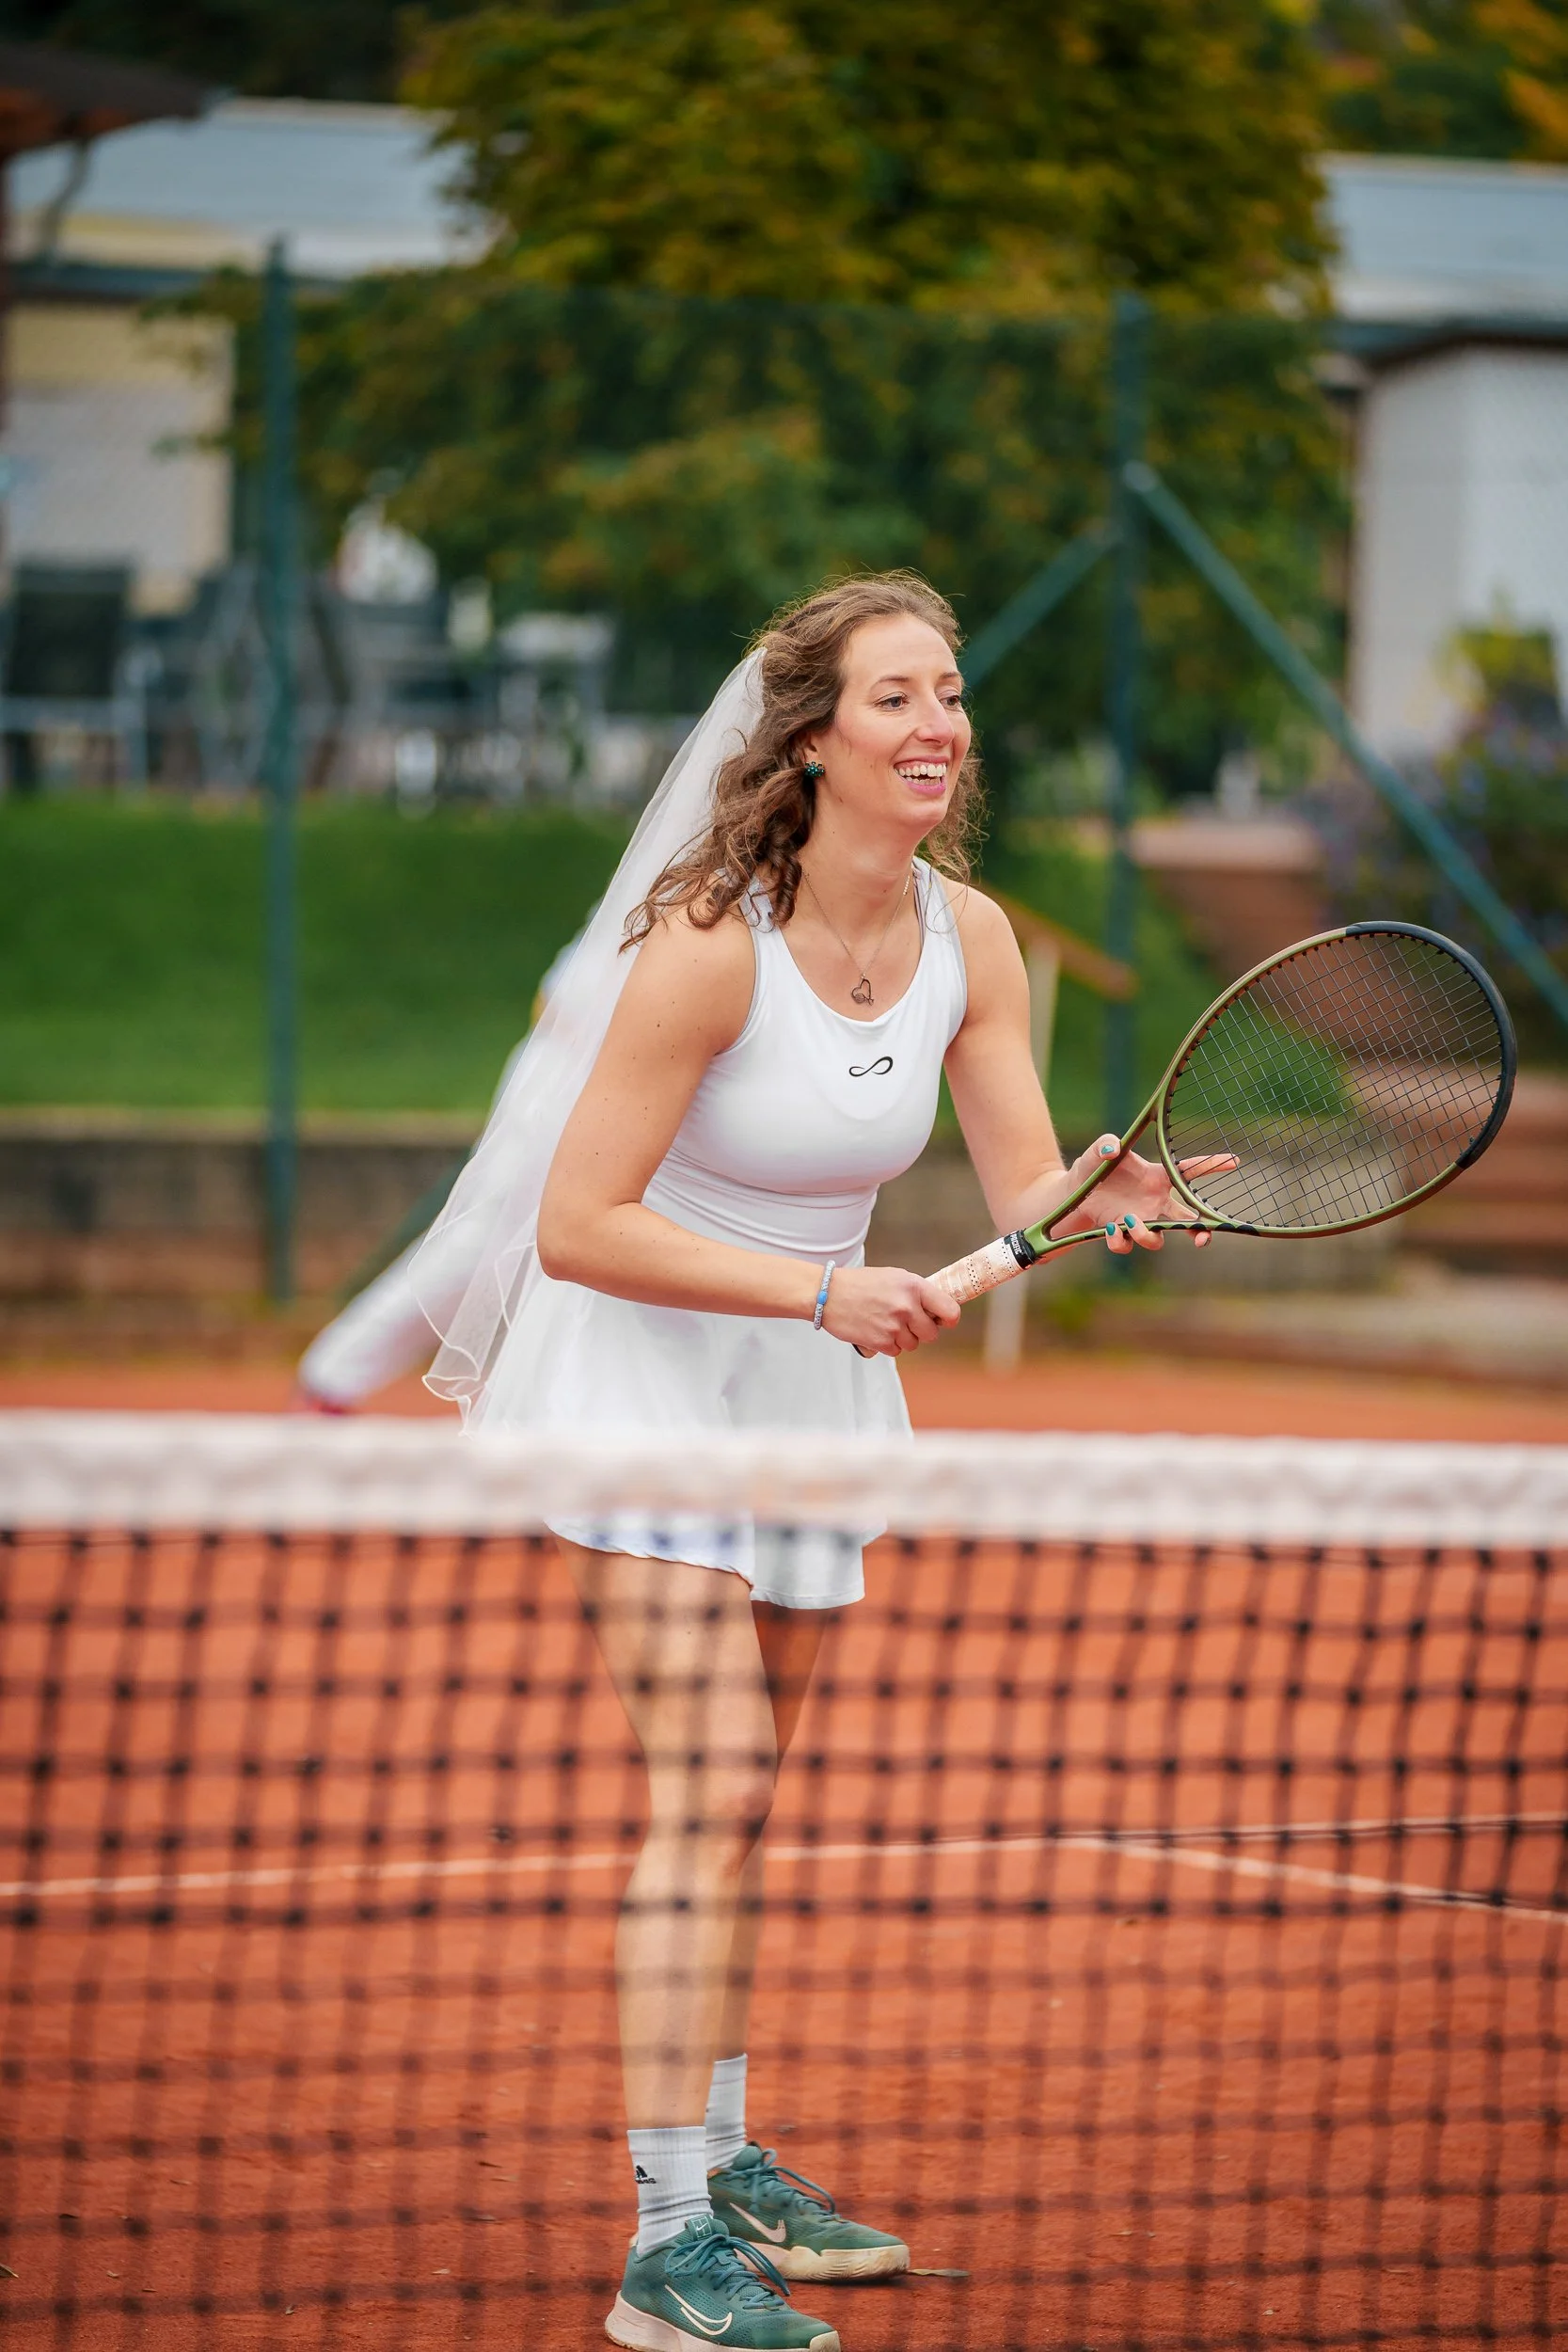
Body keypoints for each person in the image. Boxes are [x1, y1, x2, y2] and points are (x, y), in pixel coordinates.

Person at [404, 574, 1212, 2352]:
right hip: (637, 1364)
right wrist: (818, 1288)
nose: (938, 727)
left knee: (743, 1800)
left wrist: (1100, 1190)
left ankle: (725, 2144)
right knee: (716, 1772)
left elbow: (1018, 1194)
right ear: (815, 739)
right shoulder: (709, 942)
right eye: (897, 698)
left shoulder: (973, 940)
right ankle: (665, 2242)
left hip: (813, 1390)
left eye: (950, 697)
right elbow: (580, 1223)